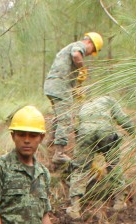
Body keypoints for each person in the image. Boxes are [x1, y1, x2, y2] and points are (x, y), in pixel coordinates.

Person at [67, 94, 136, 220]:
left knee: (80, 169)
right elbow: (123, 119)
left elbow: (76, 128)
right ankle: (119, 202)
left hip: (85, 131)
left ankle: (75, 209)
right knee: (114, 165)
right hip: (106, 130)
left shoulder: (84, 106)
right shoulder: (110, 100)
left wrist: (85, 152)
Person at [43, 32, 104, 166]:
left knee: (59, 116)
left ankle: (50, 143)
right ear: (90, 43)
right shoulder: (78, 46)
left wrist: (76, 88)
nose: (88, 55)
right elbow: (76, 55)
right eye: (91, 51)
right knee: (65, 118)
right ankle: (59, 154)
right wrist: (82, 69)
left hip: (52, 85)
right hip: (60, 86)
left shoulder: (70, 48)